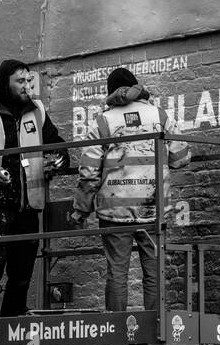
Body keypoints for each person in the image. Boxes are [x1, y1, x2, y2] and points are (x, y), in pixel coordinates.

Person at [70, 67, 190, 312]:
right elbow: (180, 158)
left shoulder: (104, 121)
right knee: (154, 271)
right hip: (152, 210)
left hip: (115, 213)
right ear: (137, 87)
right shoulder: (159, 115)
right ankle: (155, 328)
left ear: (110, 92)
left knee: (117, 273)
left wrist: (81, 209)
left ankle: (118, 331)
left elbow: (89, 173)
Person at [0, 59, 69, 319]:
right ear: (4, 83)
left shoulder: (37, 110)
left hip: (27, 203)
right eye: (20, 81)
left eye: (29, 81)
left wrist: (60, 157)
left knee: (23, 268)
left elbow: (56, 143)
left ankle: (12, 316)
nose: (26, 86)